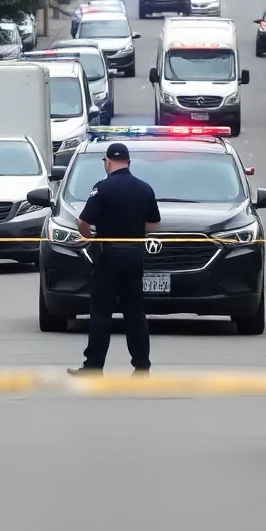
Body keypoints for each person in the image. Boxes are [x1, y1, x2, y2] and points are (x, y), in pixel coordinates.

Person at [69, 142, 161, 376]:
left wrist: (91, 239)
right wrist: (134, 230)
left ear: (108, 161)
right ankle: (142, 367)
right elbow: (154, 224)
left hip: (109, 255)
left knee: (101, 312)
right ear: (128, 161)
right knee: (135, 313)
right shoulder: (145, 188)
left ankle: (94, 366)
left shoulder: (102, 187)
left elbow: (83, 223)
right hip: (134, 254)